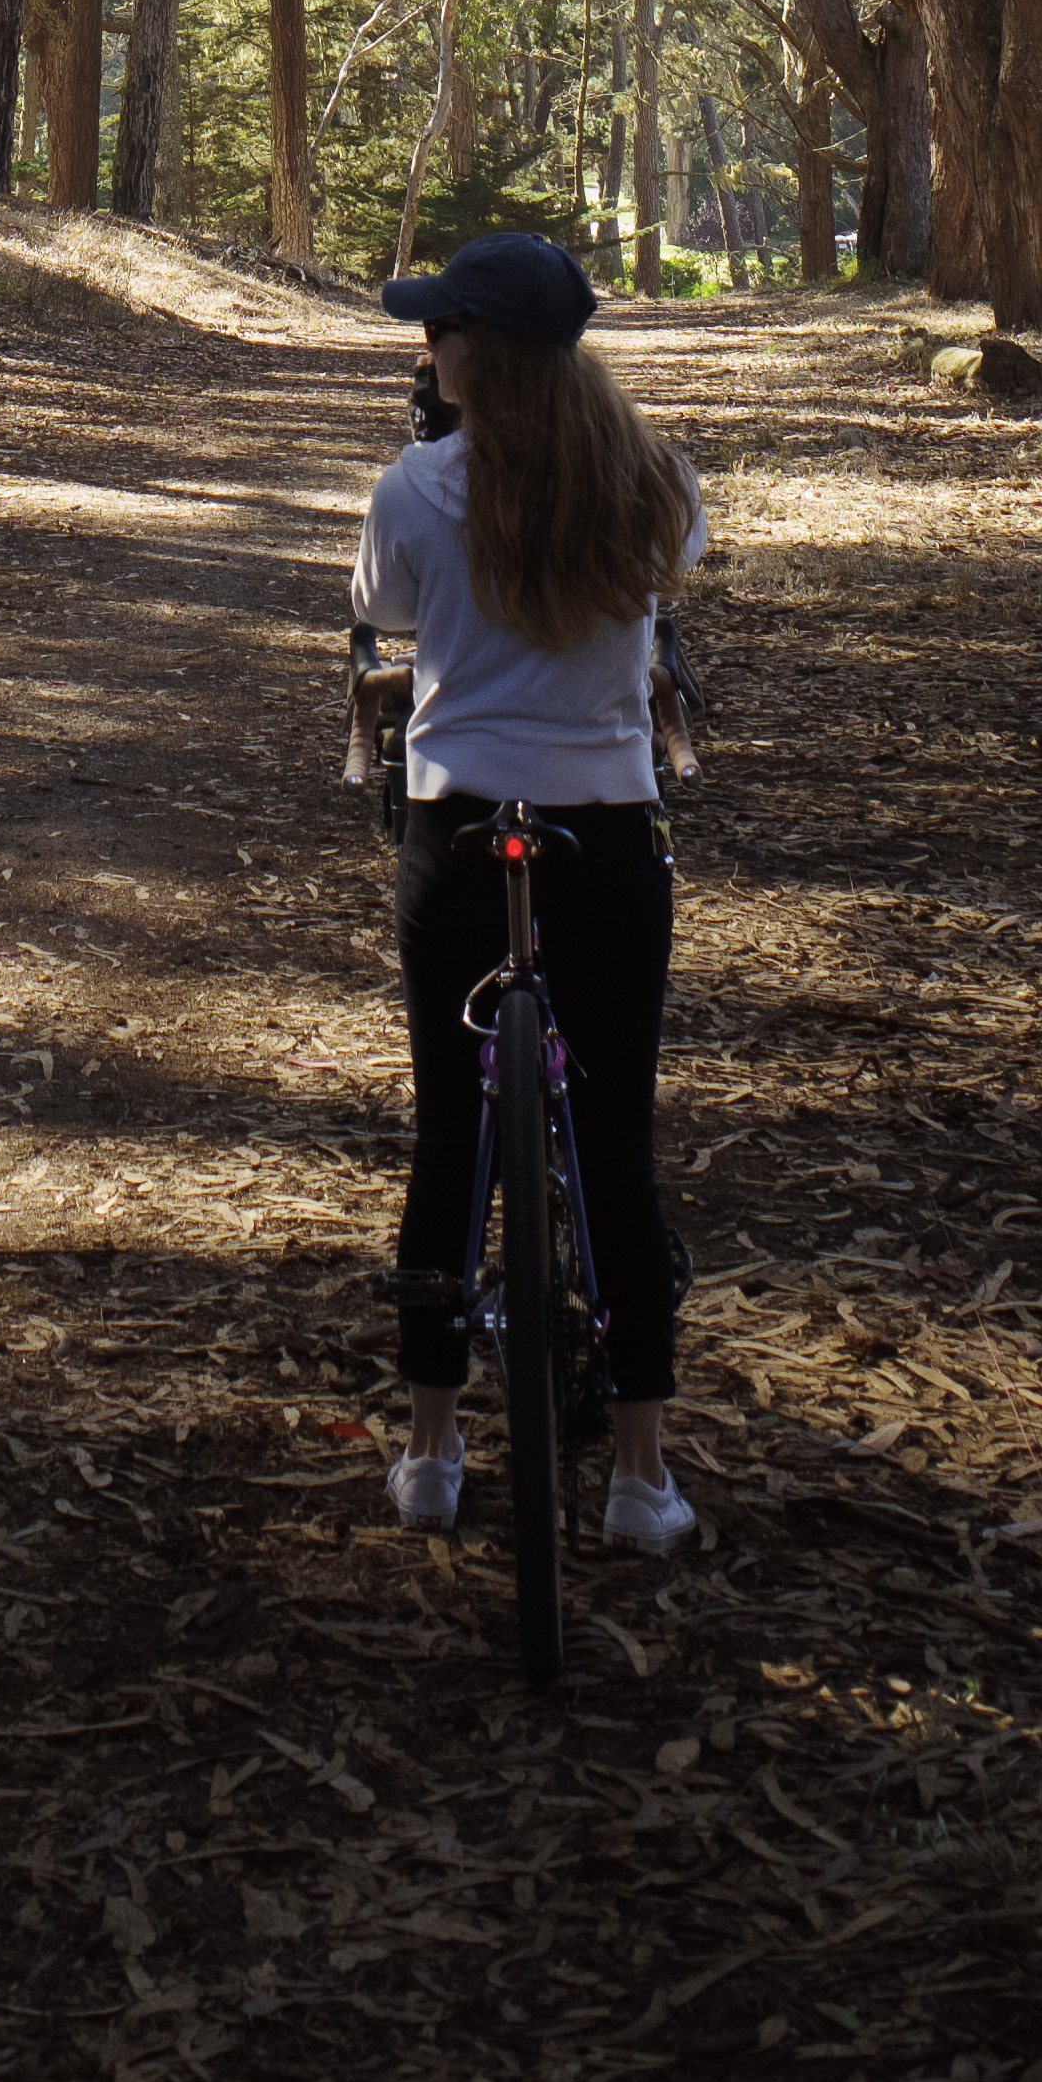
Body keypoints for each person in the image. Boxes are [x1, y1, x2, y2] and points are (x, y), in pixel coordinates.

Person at [349, 224, 704, 1557]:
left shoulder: (413, 490)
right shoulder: (658, 483)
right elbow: (668, 597)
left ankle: (434, 1451)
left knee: (452, 1133)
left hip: (457, 830)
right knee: (613, 1141)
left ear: (475, 358)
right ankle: (637, 1473)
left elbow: (381, 614)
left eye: (436, 330)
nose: (425, 347)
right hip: (606, 836)